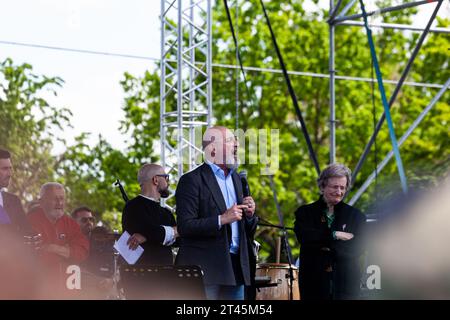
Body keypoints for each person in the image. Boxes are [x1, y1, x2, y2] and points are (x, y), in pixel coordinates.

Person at [175, 126, 258, 300]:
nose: (236, 144)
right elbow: (185, 226)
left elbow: (244, 228)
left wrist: (250, 216)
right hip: (207, 267)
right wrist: (222, 219)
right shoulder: (191, 180)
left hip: (236, 266)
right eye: (229, 140)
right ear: (213, 148)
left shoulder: (237, 179)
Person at [294, 163, 366, 300]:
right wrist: (335, 235)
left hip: (346, 286)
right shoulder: (304, 213)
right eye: (334, 187)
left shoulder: (356, 216)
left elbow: (358, 248)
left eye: (342, 188)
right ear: (322, 186)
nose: (339, 192)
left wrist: (321, 243)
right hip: (313, 285)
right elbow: (305, 238)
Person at [27, 182, 90, 295]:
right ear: (41, 202)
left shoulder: (71, 224)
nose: (59, 203)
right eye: (54, 199)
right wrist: (67, 251)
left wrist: (52, 248)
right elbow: (34, 254)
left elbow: (82, 252)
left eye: (62, 198)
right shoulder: (29, 221)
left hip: (67, 289)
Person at [121, 163, 178, 265]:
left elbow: (180, 239)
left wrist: (146, 236)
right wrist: (175, 230)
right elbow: (151, 231)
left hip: (166, 275)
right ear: (156, 180)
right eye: (166, 177)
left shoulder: (166, 212)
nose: (168, 182)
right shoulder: (133, 207)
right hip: (141, 275)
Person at [0, 148, 32, 235]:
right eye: (5, 169)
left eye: (10, 168)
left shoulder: (14, 201)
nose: (10, 174)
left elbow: (28, 232)